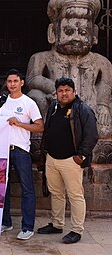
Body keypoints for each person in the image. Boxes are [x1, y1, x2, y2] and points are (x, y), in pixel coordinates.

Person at [25, 0, 112, 138]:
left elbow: (105, 84)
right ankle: (42, 134)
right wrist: (54, 89)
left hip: (90, 107)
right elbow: (33, 79)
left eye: (83, 32)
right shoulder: (41, 58)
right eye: (69, 31)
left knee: (103, 131)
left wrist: (103, 105)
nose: (76, 37)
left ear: (94, 34)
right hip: (54, 105)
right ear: (52, 32)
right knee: (35, 95)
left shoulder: (102, 62)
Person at [37, 77, 98, 244]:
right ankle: (57, 224)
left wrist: (81, 156)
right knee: (56, 194)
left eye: (67, 90)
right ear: (56, 93)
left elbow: (92, 135)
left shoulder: (82, 109)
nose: (64, 93)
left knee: (75, 195)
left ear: (74, 92)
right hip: (52, 158)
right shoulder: (53, 108)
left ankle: (77, 230)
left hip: (71, 160)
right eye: (60, 91)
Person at [0, 69, 44, 240]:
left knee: (27, 189)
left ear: (22, 82)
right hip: (2, 150)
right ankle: (6, 222)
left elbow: (40, 126)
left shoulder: (29, 103)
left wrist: (20, 124)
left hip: (21, 150)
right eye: (9, 81)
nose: (12, 84)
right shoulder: (1, 101)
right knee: (2, 188)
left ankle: (27, 227)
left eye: (15, 81)